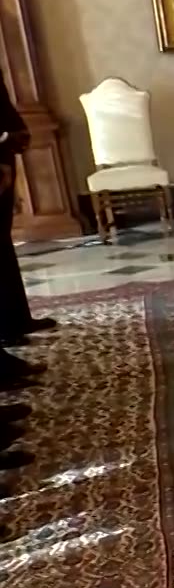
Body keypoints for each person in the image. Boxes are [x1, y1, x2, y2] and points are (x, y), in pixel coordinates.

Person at [0, 66, 54, 369]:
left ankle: (16, 319)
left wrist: (14, 132)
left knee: (2, 243)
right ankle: (6, 330)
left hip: (4, 147)